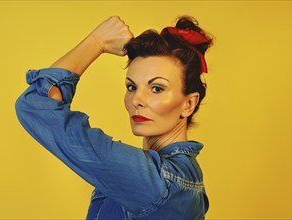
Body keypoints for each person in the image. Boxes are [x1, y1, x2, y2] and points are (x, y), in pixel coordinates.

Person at [15, 15, 213, 219]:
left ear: (188, 104)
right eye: (131, 87)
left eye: (156, 88)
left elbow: (34, 105)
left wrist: (96, 42)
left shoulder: (158, 184)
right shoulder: (182, 178)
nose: (137, 99)